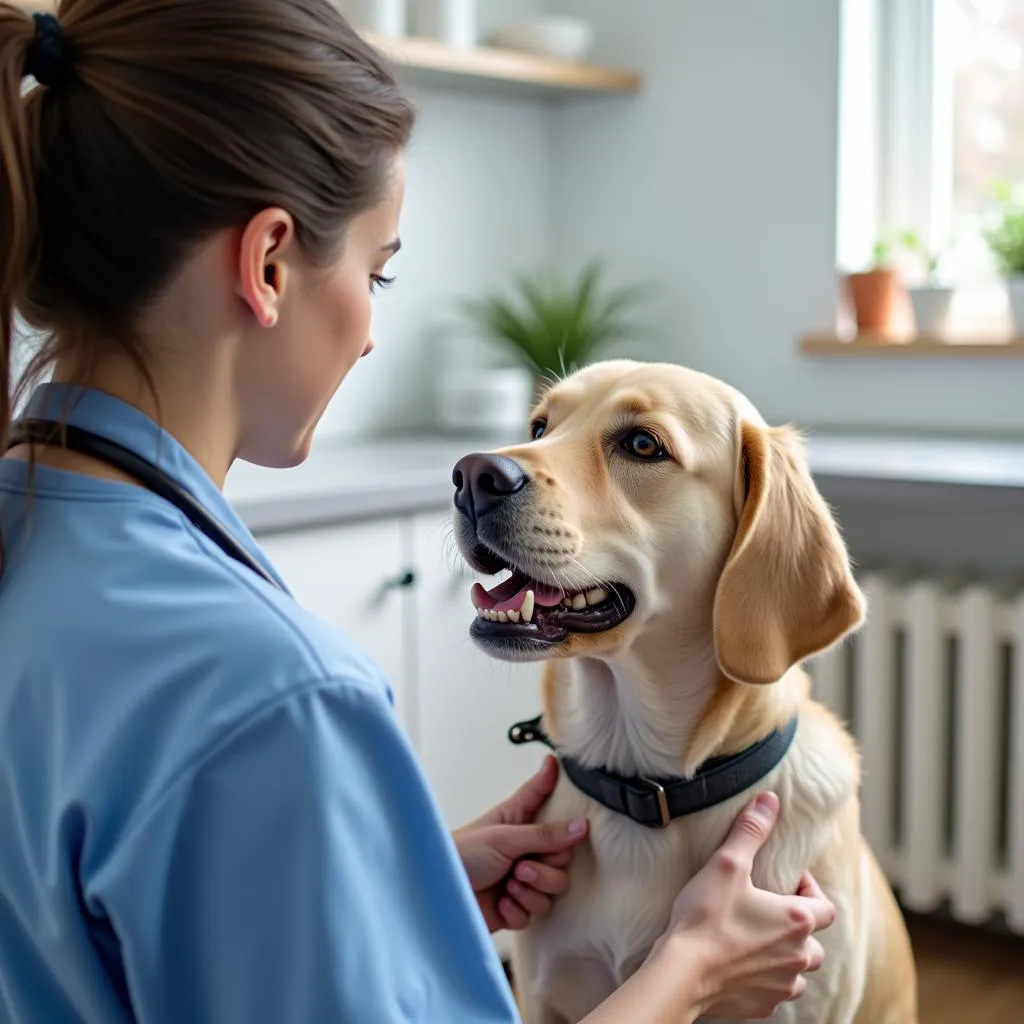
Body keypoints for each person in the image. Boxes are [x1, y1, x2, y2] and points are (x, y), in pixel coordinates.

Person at [0, 1, 836, 1021]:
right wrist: (690, 971)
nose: (364, 334)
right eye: (375, 269)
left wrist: (391, 886)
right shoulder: (274, 696)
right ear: (268, 265)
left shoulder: (37, 548)